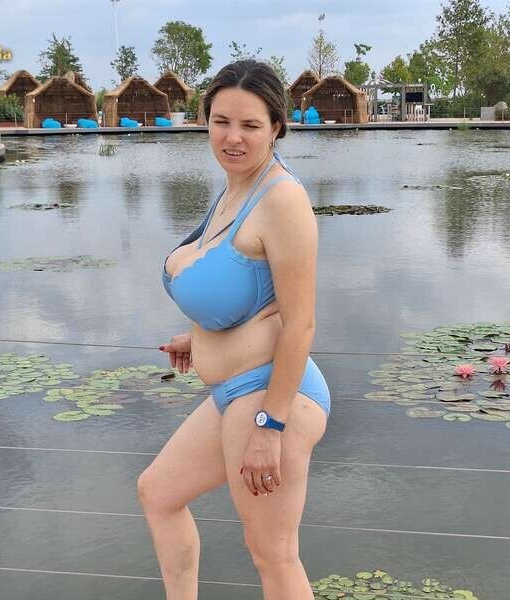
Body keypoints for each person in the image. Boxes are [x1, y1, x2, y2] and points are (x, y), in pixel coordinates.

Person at [137, 60, 331, 600]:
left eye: (250, 125)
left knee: (273, 554)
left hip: (270, 397)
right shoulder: (234, 190)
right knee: (158, 493)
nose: (233, 137)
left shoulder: (282, 199)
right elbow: (247, 295)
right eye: (221, 122)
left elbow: (300, 323)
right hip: (233, 391)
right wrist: (199, 341)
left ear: (276, 128)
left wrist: (271, 426)